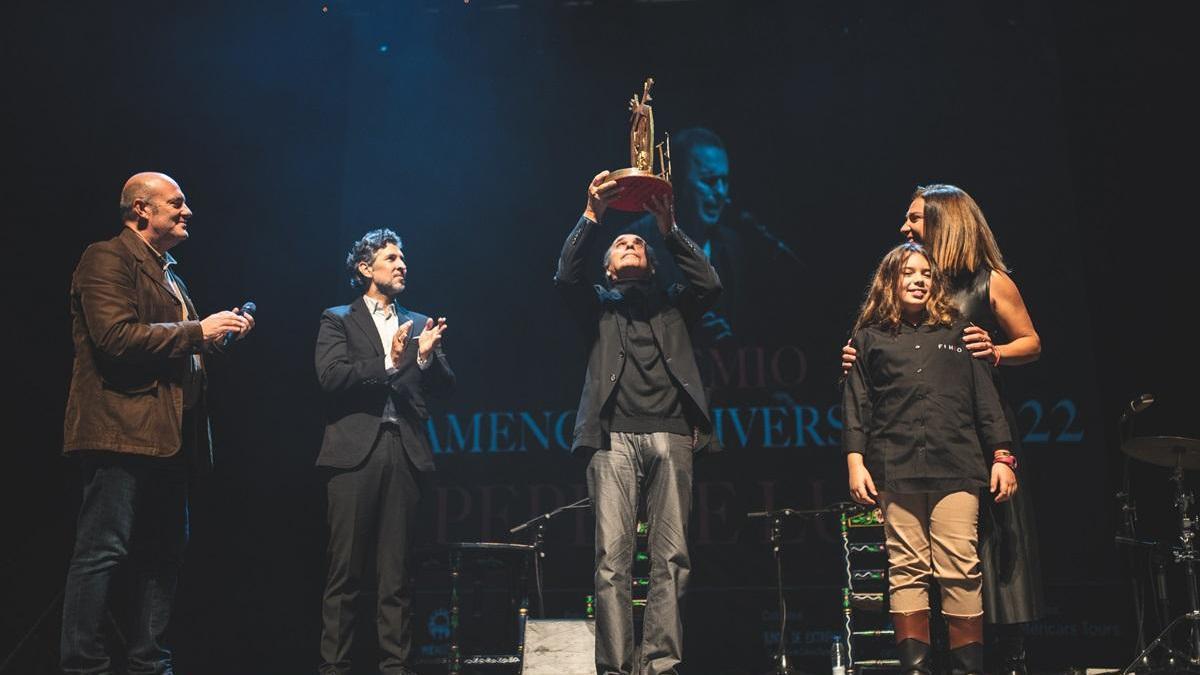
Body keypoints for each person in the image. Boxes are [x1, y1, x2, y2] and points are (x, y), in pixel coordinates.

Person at [843, 184, 1043, 674]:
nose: (906, 228)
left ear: (945, 221)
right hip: (907, 443)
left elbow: (1032, 343)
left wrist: (995, 352)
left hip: (970, 434)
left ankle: (1001, 659)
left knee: (982, 563)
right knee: (912, 564)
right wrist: (856, 356)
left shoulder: (987, 282)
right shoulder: (905, 282)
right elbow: (867, 372)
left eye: (915, 219)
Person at [60, 171, 254, 674]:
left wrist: (216, 337)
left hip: (171, 440)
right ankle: (85, 665)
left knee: (163, 555)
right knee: (103, 551)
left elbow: (179, 346)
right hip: (121, 432)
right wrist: (197, 329)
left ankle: (149, 664)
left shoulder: (171, 273)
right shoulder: (106, 257)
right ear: (141, 209)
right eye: (177, 203)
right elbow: (116, 338)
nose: (187, 212)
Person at [556, 171, 721, 675]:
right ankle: (615, 669)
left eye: (639, 243)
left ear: (650, 264)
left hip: (671, 432)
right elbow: (566, 275)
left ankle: (660, 666)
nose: (630, 244)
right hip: (612, 438)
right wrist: (592, 215)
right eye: (620, 244)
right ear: (608, 269)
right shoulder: (597, 309)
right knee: (613, 563)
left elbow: (710, 283)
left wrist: (668, 229)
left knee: (671, 559)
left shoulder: (673, 303)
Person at [314, 228, 454, 675]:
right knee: (345, 575)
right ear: (364, 268)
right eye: (391, 258)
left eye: (403, 258)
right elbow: (331, 377)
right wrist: (392, 362)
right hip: (355, 453)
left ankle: (396, 668)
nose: (401, 264)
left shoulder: (419, 320)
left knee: (396, 576)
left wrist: (425, 358)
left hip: (404, 451)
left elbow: (447, 388)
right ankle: (335, 668)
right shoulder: (337, 318)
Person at [620, 128, 799, 344]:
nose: (721, 192)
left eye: (725, 181)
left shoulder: (732, 245)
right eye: (710, 180)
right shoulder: (636, 242)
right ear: (677, 183)